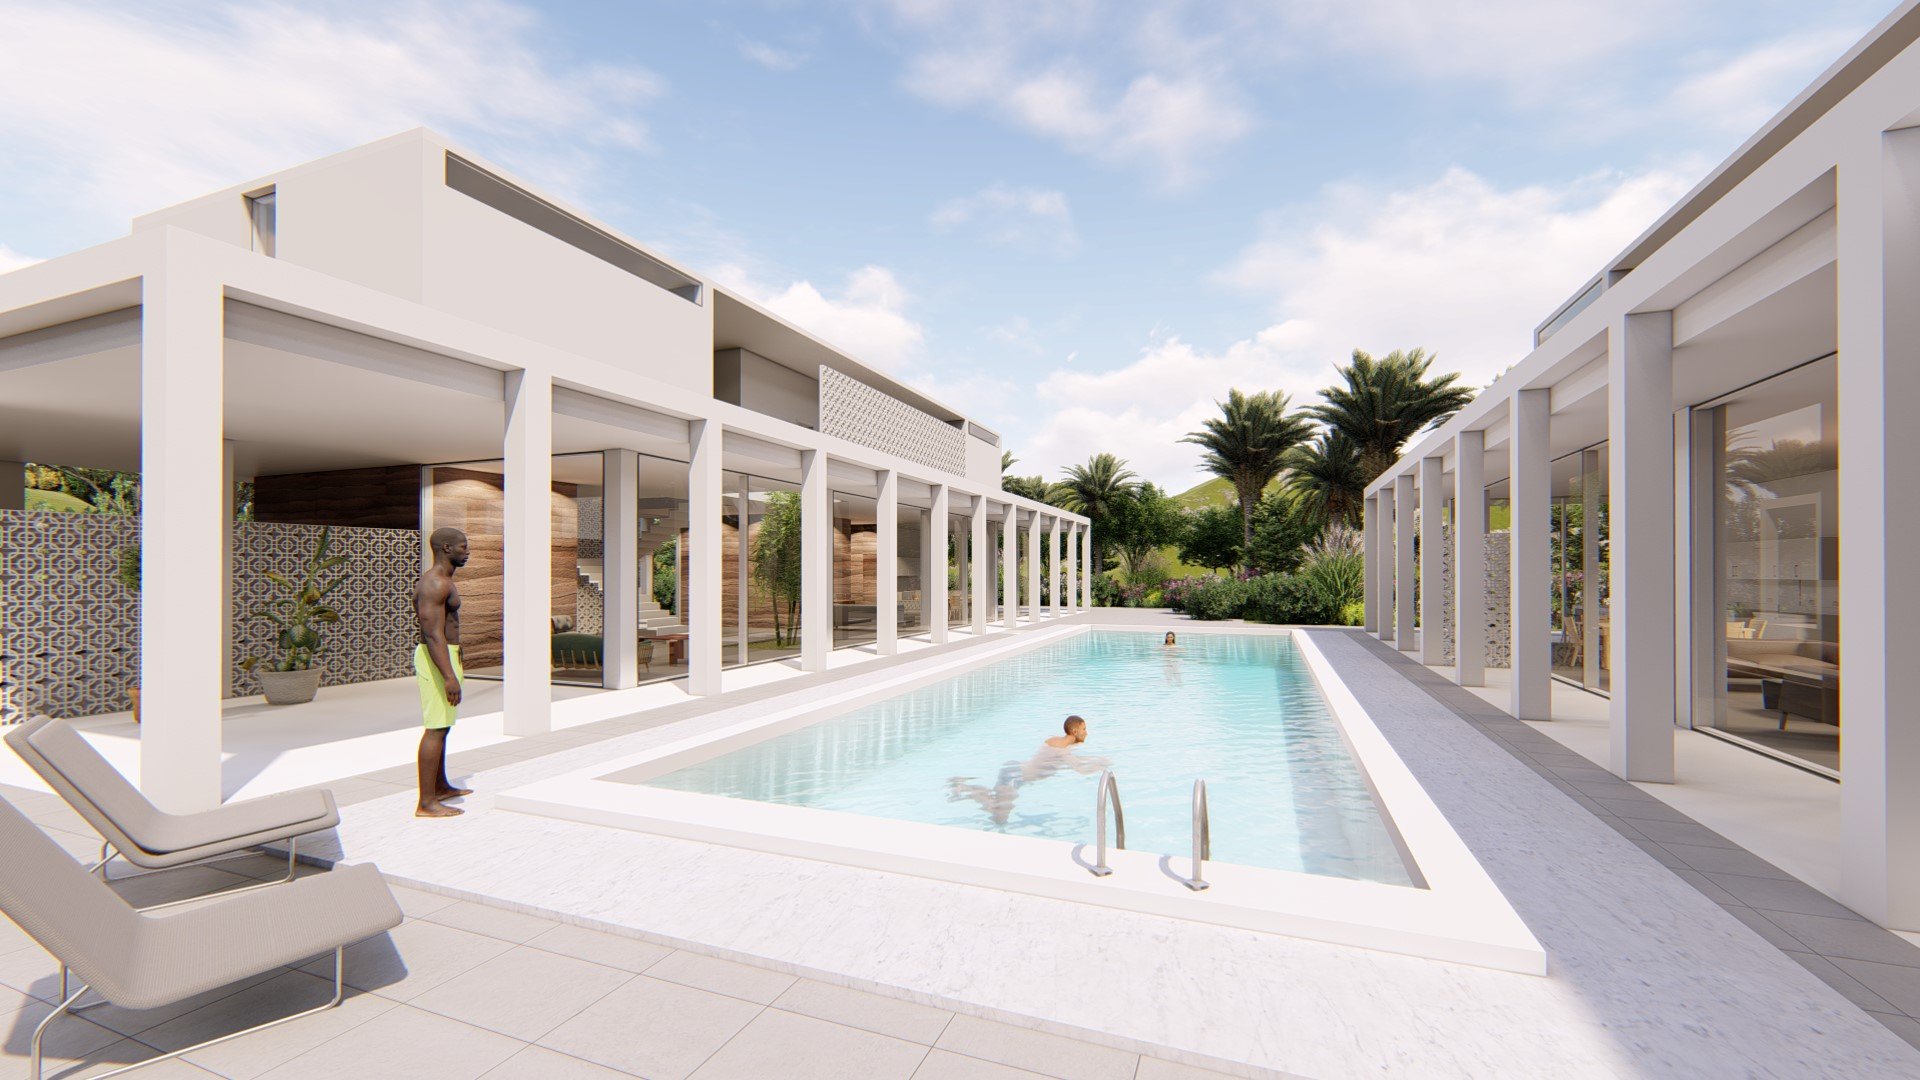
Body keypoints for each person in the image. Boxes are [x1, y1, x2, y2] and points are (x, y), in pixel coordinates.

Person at [949, 716, 1109, 826]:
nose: (1086, 732)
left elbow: (1073, 757)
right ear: (1074, 732)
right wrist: (1102, 765)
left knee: (995, 800)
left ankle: (962, 785)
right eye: (1084, 729)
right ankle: (963, 788)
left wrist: (1094, 759)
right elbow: (1081, 769)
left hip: (1013, 768)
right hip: (1016, 776)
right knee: (998, 817)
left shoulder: (1054, 740)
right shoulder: (1063, 752)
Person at [414, 527, 472, 818]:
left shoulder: (446, 581)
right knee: (435, 727)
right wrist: (448, 676)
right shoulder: (434, 584)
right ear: (446, 548)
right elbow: (433, 634)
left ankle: (441, 786)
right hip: (437, 658)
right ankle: (426, 803)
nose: (468, 551)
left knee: (444, 725)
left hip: (448, 655)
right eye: (463, 547)